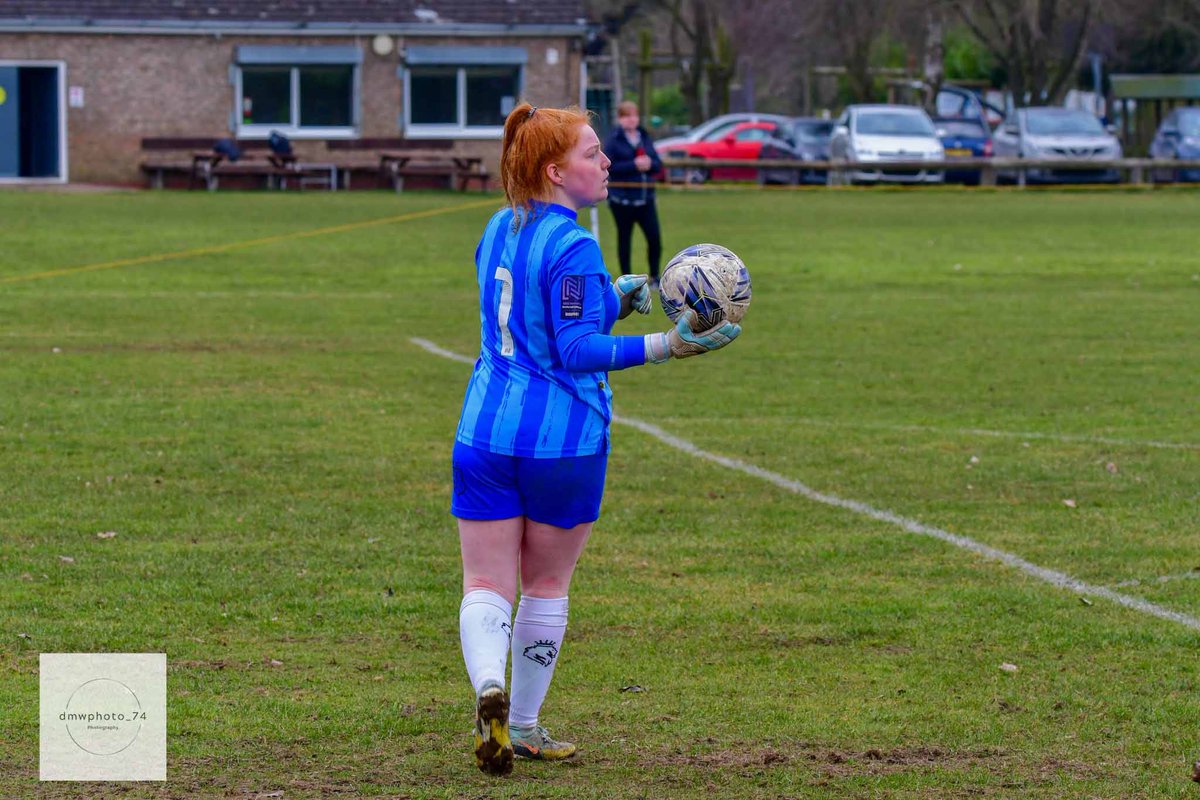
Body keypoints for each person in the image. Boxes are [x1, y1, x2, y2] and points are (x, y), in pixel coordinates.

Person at [452, 102, 741, 776]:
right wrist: (667, 344)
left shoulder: (498, 227)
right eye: (590, 154)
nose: (605, 160)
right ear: (556, 171)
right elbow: (577, 348)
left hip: (485, 433)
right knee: (546, 582)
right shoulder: (575, 241)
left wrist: (615, 294)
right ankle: (520, 723)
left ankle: (487, 687)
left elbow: (540, 312)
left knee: (486, 581)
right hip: (563, 441)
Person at [603, 101, 664, 286]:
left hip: (645, 199)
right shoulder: (613, 140)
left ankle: (654, 276)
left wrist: (649, 164)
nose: (632, 119)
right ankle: (626, 280)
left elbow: (657, 164)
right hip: (621, 201)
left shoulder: (644, 137)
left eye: (635, 115)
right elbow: (609, 166)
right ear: (621, 118)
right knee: (625, 240)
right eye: (628, 116)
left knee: (654, 239)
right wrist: (633, 165)